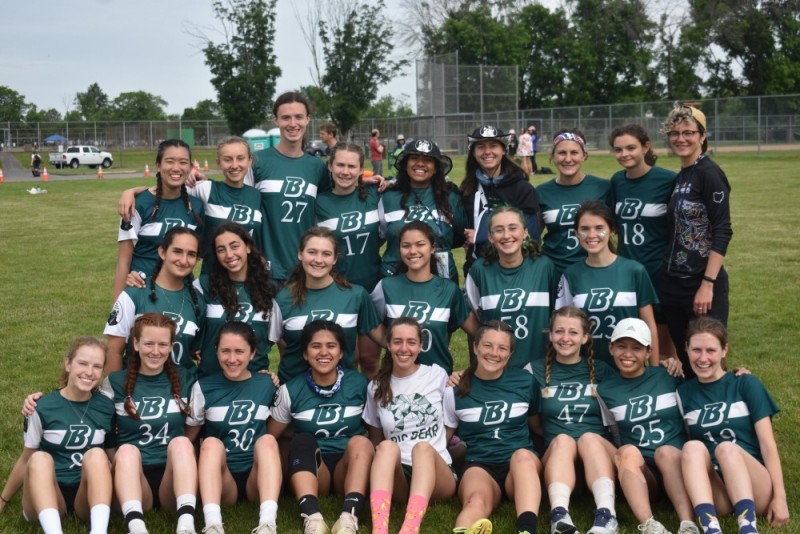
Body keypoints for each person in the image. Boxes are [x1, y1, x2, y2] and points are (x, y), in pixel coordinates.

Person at [678, 318, 788, 534]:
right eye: (696, 350)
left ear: (724, 350)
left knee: (726, 448)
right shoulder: (683, 392)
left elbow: (768, 445)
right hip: (717, 490)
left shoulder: (745, 383)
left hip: (755, 486)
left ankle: (748, 528)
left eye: (711, 350)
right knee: (691, 448)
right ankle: (711, 528)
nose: (703, 358)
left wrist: (780, 498)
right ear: (686, 350)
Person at [268, 320, 374, 534]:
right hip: (314, 470)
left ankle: (348, 518)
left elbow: (376, 429)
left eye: (331, 346)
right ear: (305, 354)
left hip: (350, 466)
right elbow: (271, 436)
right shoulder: (291, 390)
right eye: (316, 346)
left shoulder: (360, 384)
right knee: (302, 439)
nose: (323, 352)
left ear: (342, 353)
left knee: (361, 441)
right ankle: (313, 519)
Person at [597, 318, 698, 534]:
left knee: (666, 452)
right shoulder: (605, 390)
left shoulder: (668, 376)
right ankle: (650, 525)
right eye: (621, 346)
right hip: (643, 473)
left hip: (677, 465)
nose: (628, 354)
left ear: (648, 351)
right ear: (611, 348)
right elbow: (614, 434)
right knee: (627, 451)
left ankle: (688, 524)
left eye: (636, 348)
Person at [444, 321, 543, 534]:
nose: (494, 353)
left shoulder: (525, 381)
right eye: (488, 345)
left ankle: (526, 529)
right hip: (480, 464)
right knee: (476, 501)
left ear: (510, 353)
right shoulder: (455, 389)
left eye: (502, 348)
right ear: (475, 347)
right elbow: (444, 437)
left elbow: (537, 426)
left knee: (523, 457)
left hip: (520, 467)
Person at [104, 314, 198, 534]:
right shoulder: (116, 382)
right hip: (132, 477)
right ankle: (136, 526)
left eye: (163, 344)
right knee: (127, 451)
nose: (155, 351)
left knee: (182, 443)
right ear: (136, 344)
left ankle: (186, 525)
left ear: (171, 346)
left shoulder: (186, 378)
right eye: (148, 344)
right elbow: (97, 422)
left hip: (172, 477)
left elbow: (200, 420)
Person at [119, 136, 263, 280]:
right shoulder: (205, 189)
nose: (234, 164)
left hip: (246, 276)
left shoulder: (257, 196)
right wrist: (131, 192)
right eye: (227, 159)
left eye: (240, 158)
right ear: (219, 163)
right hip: (212, 279)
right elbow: (166, 189)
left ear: (250, 161)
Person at [529, 306, 619, 534]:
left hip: (599, 457)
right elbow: (534, 424)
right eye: (559, 331)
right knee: (563, 440)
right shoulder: (534, 370)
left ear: (585, 337)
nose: (565, 338)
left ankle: (607, 516)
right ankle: (559, 517)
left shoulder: (603, 370)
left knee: (589, 438)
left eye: (573, 332)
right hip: (558, 460)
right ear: (550, 334)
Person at [185, 321, 281, 534]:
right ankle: (213, 523)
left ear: (252, 353)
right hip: (222, 477)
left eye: (239, 351)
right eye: (225, 351)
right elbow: (190, 434)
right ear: (216, 352)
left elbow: (281, 425)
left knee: (267, 440)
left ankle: (268, 523)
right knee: (209, 443)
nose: (232, 359)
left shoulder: (266, 384)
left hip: (258, 477)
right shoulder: (203, 387)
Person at [660, 105, 733, 378]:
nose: (681, 138)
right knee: (686, 358)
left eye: (689, 132)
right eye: (675, 133)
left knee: (708, 358)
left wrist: (708, 284)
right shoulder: (681, 176)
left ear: (702, 136)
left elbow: (723, 230)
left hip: (700, 282)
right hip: (674, 282)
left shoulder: (709, 173)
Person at [364, 318, 455, 534]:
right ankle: (380, 529)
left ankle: (410, 528)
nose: (404, 349)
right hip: (400, 475)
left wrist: (441, 443)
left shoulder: (437, 375)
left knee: (422, 448)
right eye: (397, 342)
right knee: (385, 448)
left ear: (420, 345)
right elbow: (376, 436)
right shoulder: (376, 387)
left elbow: (451, 422)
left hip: (437, 471)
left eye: (411, 342)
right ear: (388, 344)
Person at [17, 337, 114, 534]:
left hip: (86, 494)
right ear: (68, 364)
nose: (89, 372)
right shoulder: (41, 407)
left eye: (97, 366)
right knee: (39, 458)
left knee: (97, 455)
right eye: (83, 363)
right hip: (49, 490)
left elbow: (112, 455)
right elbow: (26, 460)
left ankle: (99, 530)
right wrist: (3, 500)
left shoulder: (106, 406)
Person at [556, 200, 660, 367]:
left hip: (628, 368)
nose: (591, 235)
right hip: (585, 370)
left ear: (612, 230)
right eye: (584, 229)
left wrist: (655, 371)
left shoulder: (634, 271)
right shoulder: (570, 274)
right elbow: (562, 327)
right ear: (576, 233)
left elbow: (649, 326)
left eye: (599, 228)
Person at [274, 226, 384, 383]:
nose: (318, 260)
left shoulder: (355, 295)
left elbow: (384, 339)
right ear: (300, 254)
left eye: (326, 254)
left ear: (334, 259)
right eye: (312, 252)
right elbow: (267, 345)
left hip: (344, 393)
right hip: (295, 394)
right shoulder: (282, 299)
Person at [608, 124, 678, 362]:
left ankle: (665, 376)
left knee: (661, 326)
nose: (624, 154)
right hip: (627, 268)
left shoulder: (667, 179)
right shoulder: (617, 181)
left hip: (658, 267)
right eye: (618, 150)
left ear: (645, 147)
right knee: (630, 327)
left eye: (631, 147)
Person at [372, 221, 478, 374]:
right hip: (397, 378)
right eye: (406, 245)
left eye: (420, 244)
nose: (412, 251)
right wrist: (391, 344)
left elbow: (478, 332)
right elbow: (369, 323)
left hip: (438, 381)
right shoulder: (386, 287)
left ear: (432, 248)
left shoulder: (449, 290)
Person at [247, 92, 331, 283]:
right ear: (275, 120)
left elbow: (333, 203)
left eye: (299, 117)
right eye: (286, 117)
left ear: (308, 119)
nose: (293, 124)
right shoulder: (257, 161)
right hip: (266, 271)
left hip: (307, 270)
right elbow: (238, 201)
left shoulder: (317, 167)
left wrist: (363, 183)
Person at [315, 142, 383, 377]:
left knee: (370, 359)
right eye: (340, 165)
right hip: (337, 290)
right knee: (346, 359)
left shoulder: (374, 195)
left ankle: (372, 413)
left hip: (372, 286)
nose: (345, 171)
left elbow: (383, 234)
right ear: (330, 166)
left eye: (351, 166)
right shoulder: (318, 201)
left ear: (360, 170)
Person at [465, 206, 557, 367]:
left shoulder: (544, 267)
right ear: (490, 237)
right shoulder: (479, 270)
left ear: (525, 232)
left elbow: (556, 314)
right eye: (498, 230)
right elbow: (472, 314)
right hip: (495, 368)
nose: (506, 235)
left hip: (540, 368)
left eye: (513, 228)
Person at [105, 227, 205, 373]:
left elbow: (196, 352)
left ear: (197, 260)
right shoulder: (134, 293)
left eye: (191, 254)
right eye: (177, 251)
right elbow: (114, 351)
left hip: (182, 390)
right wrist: (114, 391)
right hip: (137, 387)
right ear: (162, 252)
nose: (183, 260)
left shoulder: (198, 301)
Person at [113, 139, 205, 299]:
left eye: (183, 162)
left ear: (190, 167)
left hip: (181, 294)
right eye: (170, 161)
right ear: (158, 165)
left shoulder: (197, 205)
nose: (176, 168)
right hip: (142, 291)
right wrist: (118, 309)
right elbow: (123, 263)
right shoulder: (137, 204)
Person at [193, 222, 280, 377]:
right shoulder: (203, 285)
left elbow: (274, 340)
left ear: (247, 247)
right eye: (221, 250)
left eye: (234, 246)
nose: (229, 254)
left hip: (253, 383)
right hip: (211, 380)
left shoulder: (270, 289)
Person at [378, 138, 468, 282]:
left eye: (428, 159)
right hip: (394, 280)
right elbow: (379, 237)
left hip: (442, 279)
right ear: (405, 164)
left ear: (436, 167)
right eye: (414, 158)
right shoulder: (388, 197)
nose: (420, 163)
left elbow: (465, 235)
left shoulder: (450, 197)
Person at [459, 124, 543, 274]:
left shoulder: (522, 189)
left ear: (503, 150)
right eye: (481, 147)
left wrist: (480, 235)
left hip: (515, 273)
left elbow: (532, 238)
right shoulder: (467, 188)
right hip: (477, 271)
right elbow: (463, 234)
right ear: (473, 152)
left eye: (493, 146)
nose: (487, 152)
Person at [536, 128, 611, 274]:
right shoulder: (541, 192)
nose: (568, 159)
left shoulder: (603, 187)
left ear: (584, 156)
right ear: (553, 156)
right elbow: (533, 236)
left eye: (574, 153)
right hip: (554, 270)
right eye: (562, 153)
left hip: (594, 269)